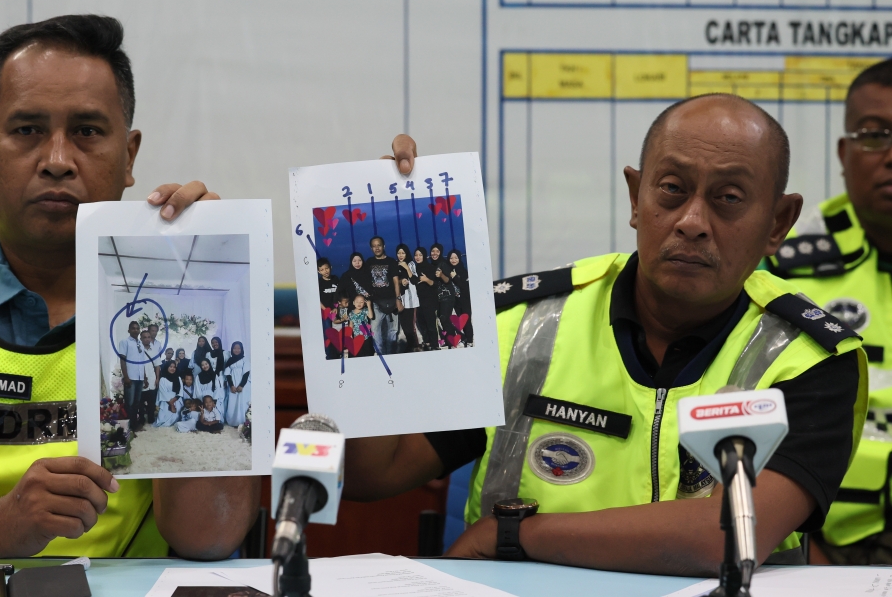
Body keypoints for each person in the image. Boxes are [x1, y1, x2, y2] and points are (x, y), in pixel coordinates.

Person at [347, 98, 868, 574]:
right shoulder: (519, 324)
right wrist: (385, 239)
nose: (691, 221)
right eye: (672, 189)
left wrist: (514, 535)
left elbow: (726, 535)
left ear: (778, 222)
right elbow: (373, 473)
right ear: (636, 197)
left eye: (728, 197)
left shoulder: (812, 359)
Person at [0, 14, 258, 561]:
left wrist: (200, 276)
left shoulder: (160, 297)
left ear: (129, 156)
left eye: (87, 131)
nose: (58, 161)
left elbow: (209, 537)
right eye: (27, 130)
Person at [766, 58, 892, 564]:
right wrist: (802, 556)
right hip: (814, 546)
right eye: (874, 135)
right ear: (844, 152)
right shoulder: (781, 267)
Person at [364, 236, 401, 355]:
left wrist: (398, 299)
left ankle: (391, 354)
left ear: (383, 246)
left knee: (392, 331)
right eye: (374, 246)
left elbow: (396, 282)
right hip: (375, 302)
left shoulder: (391, 262)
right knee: (375, 331)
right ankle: (381, 354)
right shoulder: (369, 262)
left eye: (379, 245)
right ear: (371, 248)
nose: (377, 248)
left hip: (392, 301)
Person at [429, 242, 460, 348]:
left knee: (444, 319)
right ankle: (449, 340)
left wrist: (441, 274)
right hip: (438, 297)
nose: (434, 253)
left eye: (437, 251)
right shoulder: (431, 265)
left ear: (441, 252)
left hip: (447, 296)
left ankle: (453, 340)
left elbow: (447, 280)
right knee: (442, 319)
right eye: (432, 251)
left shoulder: (443, 263)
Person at [118, 321, 146, 432]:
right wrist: (126, 376)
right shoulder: (124, 342)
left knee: (136, 403)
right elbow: (122, 360)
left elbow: (142, 362)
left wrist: (144, 377)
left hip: (140, 377)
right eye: (133, 328)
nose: (135, 330)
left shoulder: (140, 344)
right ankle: (129, 427)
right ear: (129, 330)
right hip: (130, 377)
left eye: (137, 328)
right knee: (129, 403)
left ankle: (134, 425)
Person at [411, 247, 440, 350]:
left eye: (420, 255)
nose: (418, 257)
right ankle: (427, 342)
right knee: (422, 323)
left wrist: (426, 280)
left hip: (429, 300)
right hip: (418, 300)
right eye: (416, 255)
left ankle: (435, 345)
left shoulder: (430, 267)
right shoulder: (414, 269)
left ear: (424, 256)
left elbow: (435, 284)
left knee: (431, 324)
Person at [395, 243, 421, 352]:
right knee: (404, 324)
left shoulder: (410, 264)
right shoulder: (395, 265)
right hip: (400, 299)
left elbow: (415, 280)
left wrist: (406, 268)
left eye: (403, 253)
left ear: (406, 254)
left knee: (410, 325)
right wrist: (401, 281)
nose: (400, 255)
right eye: (399, 253)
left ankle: (414, 346)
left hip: (410, 300)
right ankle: (410, 345)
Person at [446, 249, 473, 347]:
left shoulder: (463, 271)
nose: (453, 260)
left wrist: (454, 277)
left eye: (456, 258)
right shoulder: (448, 270)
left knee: (467, 321)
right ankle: (465, 338)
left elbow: (463, 286)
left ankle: (470, 341)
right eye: (451, 258)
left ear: (459, 258)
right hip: (456, 301)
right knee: (461, 321)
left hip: (465, 300)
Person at [224, 341, 251, 427]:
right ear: (232, 349)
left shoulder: (245, 359)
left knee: (242, 402)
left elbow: (246, 373)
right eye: (234, 348)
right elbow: (227, 374)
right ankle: (233, 421)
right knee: (232, 402)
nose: (236, 350)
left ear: (242, 349)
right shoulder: (230, 360)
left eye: (238, 348)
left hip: (243, 384)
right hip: (233, 384)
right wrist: (231, 385)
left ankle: (243, 422)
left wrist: (241, 385)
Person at [139, 329, 161, 429]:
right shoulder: (137, 350)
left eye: (149, 337)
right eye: (144, 337)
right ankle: (141, 420)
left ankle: (151, 418)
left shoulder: (154, 350)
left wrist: (157, 378)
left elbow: (157, 366)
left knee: (152, 402)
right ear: (141, 339)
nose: (147, 339)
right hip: (141, 379)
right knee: (140, 402)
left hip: (152, 379)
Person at [154, 362, 183, 428]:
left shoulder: (178, 378)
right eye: (170, 367)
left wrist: (174, 400)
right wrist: (171, 403)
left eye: (174, 367)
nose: (172, 368)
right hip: (166, 400)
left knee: (176, 416)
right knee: (162, 419)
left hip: (176, 399)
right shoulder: (163, 379)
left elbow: (180, 391)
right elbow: (162, 392)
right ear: (167, 367)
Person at [347, 294, 375, 358]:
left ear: (364, 303)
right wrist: (350, 335)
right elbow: (351, 324)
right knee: (358, 353)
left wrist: (369, 305)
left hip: (366, 337)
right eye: (357, 302)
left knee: (367, 353)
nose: (359, 303)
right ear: (353, 303)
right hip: (357, 337)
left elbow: (371, 316)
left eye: (361, 302)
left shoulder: (365, 310)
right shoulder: (351, 313)